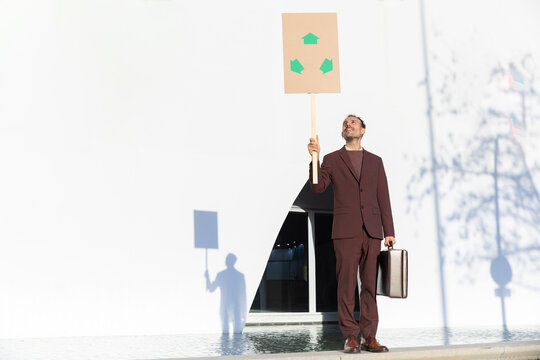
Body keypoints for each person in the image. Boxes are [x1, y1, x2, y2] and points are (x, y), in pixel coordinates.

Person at [308, 114, 396, 353]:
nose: (349, 125)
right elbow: (317, 188)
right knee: (346, 285)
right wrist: (314, 158)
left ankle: (370, 336)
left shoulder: (376, 161)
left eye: (353, 122)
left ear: (363, 130)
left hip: (372, 231)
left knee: (369, 285)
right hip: (345, 231)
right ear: (342, 133)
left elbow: (383, 197)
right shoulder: (332, 159)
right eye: (345, 124)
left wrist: (389, 231)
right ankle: (350, 336)